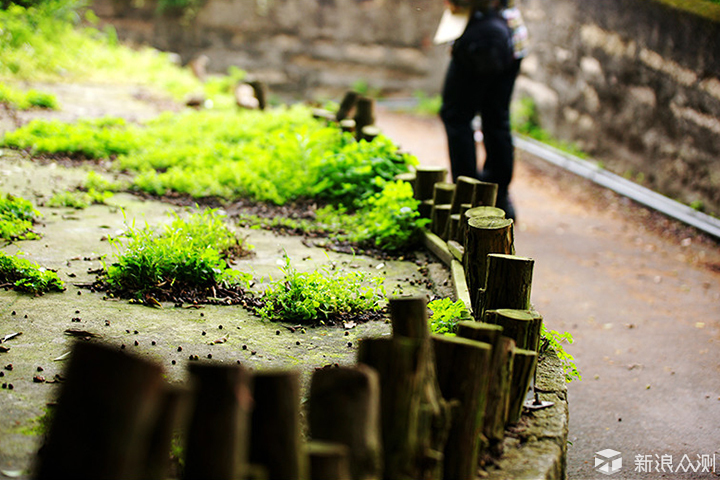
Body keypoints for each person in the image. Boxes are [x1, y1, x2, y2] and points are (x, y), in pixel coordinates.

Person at [440, 0, 525, 220]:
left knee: (456, 115)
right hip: (510, 37)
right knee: (496, 119)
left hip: (481, 35)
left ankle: (468, 198)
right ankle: (497, 197)